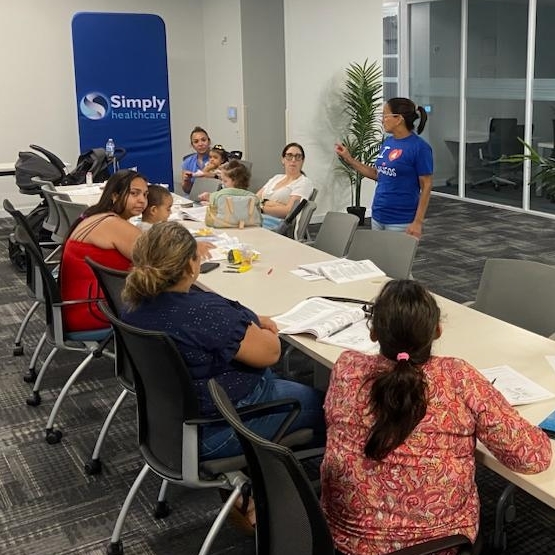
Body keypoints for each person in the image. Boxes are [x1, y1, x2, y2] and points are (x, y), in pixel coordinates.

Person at [321, 279, 552, 555]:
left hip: (345, 541)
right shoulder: (457, 377)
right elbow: (532, 458)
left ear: (373, 333)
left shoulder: (346, 369)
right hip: (436, 546)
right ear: (437, 331)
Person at [121, 221, 325, 462]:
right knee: (326, 405)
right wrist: (266, 329)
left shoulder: (134, 304)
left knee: (278, 380)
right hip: (218, 429)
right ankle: (275, 486)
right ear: (190, 265)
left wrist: (243, 320)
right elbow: (271, 353)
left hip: (168, 425)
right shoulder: (204, 312)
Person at [59, 169, 148, 332]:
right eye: (135, 193)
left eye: (145, 194)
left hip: (78, 307)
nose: (142, 200)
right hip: (95, 312)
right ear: (114, 195)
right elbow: (160, 260)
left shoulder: (95, 215)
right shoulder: (113, 224)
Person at [335, 97, 433, 239]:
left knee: (395, 260)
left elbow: (427, 185)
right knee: (378, 259)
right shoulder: (388, 142)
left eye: (384, 116)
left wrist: (418, 222)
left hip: (401, 220)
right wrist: (349, 159)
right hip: (379, 215)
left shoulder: (419, 148)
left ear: (398, 118)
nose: (382, 120)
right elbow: (378, 174)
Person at [256, 142, 313, 230]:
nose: (293, 160)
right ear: (283, 159)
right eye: (289, 156)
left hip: (276, 225)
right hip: (257, 219)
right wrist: (274, 205)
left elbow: (288, 211)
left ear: (302, 161)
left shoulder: (303, 182)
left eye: (298, 157)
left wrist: (262, 207)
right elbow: (255, 199)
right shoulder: (277, 177)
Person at [181, 126, 211, 194]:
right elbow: (186, 190)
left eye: (203, 140)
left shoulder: (217, 159)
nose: (200, 144)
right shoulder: (187, 162)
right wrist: (187, 181)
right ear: (192, 145)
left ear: (209, 141)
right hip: (194, 198)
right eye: (196, 141)